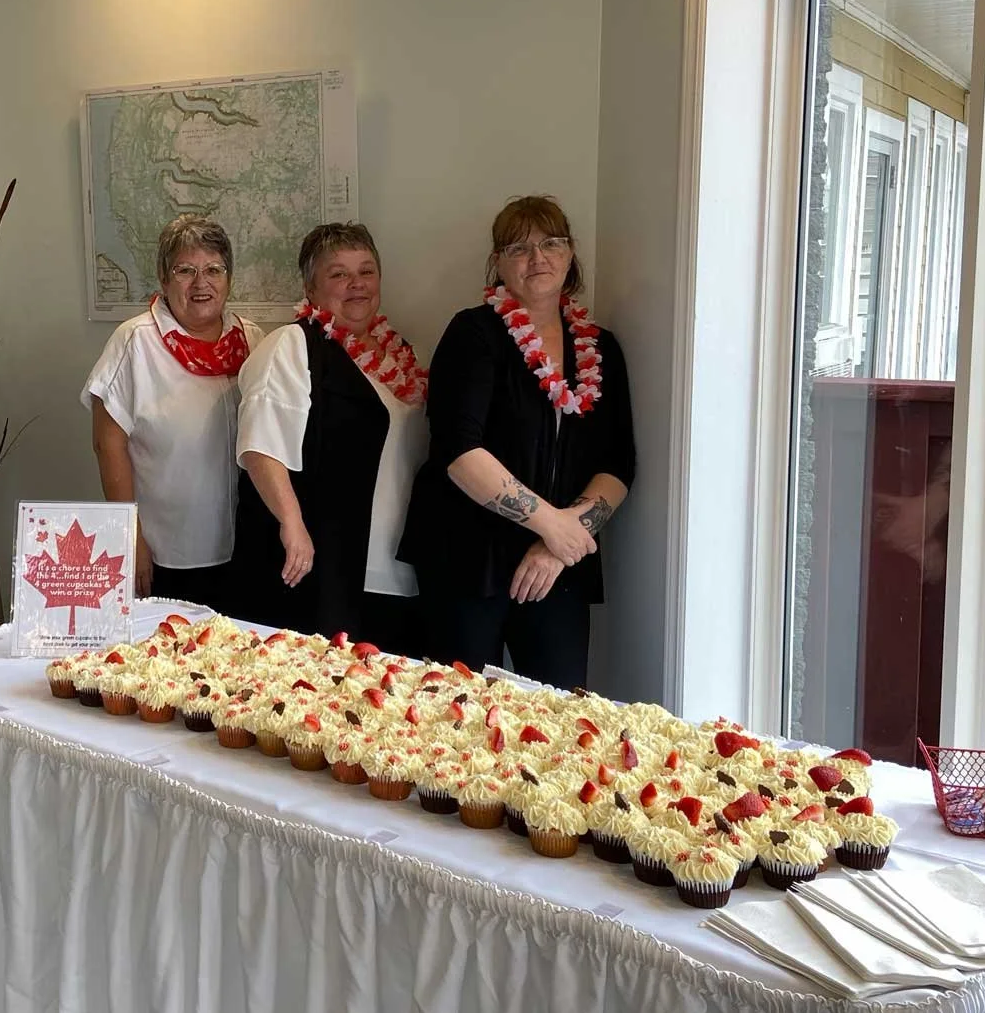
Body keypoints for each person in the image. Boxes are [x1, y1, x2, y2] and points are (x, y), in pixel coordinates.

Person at [399, 195, 634, 689]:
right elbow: (459, 452)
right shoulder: (472, 333)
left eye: (551, 243)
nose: (537, 258)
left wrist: (560, 541)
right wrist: (551, 523)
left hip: (559, 561)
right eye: (519, 248)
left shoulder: (600, 346)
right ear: (498, 263)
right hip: (467, 555)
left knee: (561, 712)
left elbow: (619, 463)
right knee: (457, 711)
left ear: (571, 255)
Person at [230, 223, 429, 650]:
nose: (356, 284)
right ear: (311, 287)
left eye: (366, 270)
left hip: (396, 571)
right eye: (338, 274)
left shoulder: (400, 355)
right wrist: (292, 523)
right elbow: (261, 445)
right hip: (323, 567)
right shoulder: (293, 344)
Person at [83, 215, 263, 611]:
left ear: (228, 278)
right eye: (185, 270)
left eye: (214, 269)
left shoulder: (250, 339)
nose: (201, 283)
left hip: (244, 547)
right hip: (168, 551)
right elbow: (107, 444)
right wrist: (131, 537)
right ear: (164, 279)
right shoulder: (135, 341)